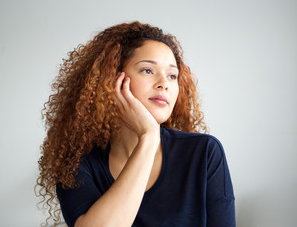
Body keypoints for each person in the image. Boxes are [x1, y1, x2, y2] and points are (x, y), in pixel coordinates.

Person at [36, 21, 235, 227]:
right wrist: (148, 137)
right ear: (111, 79)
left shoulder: (204, 152)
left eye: (172, 75)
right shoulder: (76, 161)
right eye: (148, 70)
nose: (163, 83)